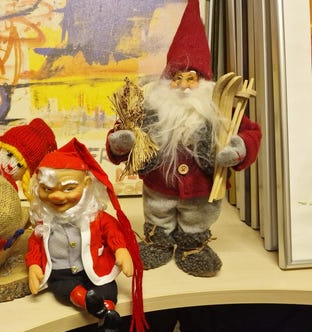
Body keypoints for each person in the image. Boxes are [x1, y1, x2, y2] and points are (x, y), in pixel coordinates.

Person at [106, 0, 262, 277]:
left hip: (202, 191)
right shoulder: (150, 109)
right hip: (158, 187)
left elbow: (251, 133)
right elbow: (123, 133)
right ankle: (158, 243)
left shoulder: (221, 109)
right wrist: (120, 144)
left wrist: (238, 149)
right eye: (177, 78)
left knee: (197, 218)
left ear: (204, 82)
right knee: (158, 214)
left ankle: (193, 247)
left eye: (191, 79)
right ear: (168, 80)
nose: (183, 86)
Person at [25, 138, 147, 332]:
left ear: (87, 184)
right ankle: (91, 305)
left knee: (108, 287)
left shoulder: (93, 215)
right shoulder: (44, 220)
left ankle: (108, 313)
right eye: (47, 189)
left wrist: (121, 250)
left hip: (95, 267)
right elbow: (35, 244)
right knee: (63, 289)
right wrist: (34, 266)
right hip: (61, 273)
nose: (56, 197)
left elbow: (112, 230)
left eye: (68, 188)